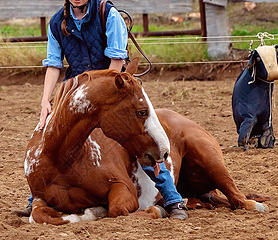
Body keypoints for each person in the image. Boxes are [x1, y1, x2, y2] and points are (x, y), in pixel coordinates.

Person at [14, 0, 187, 220]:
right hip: (75, 95)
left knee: (138, 136)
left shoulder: (109, 15)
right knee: (48, 138)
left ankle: (172, 198)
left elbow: (116, 61)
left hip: (113, 88)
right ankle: (36, 196)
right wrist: (45, 100)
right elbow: (54, 64)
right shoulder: (58, 21)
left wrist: (103, 93)